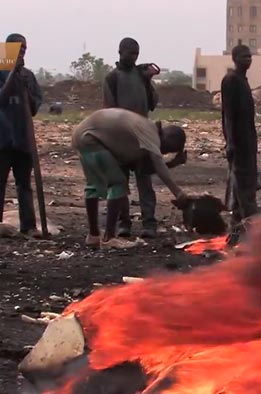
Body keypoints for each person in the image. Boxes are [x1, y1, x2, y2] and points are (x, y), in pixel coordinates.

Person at [72, 108, 190, 249]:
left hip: (82, 136)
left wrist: (172, 163)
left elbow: (143, 169)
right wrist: (178, 193)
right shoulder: (150, 134)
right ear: (168, 141)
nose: (163, 152)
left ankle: (93, 236)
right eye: (167, 150)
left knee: (93, 186)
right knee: (118, 184)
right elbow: (158, 165)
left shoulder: (144, 130)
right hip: (92, 139)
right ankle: (109, 238)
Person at [103, 37, 165, 239]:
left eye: (137, 54)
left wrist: (148, 81)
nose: (134, 57)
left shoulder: (141, 76)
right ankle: (124, 223)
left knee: (144, 181)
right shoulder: (112, 78)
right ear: (120, 53)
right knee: (120, 183)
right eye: (131, 53)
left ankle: (149, 222)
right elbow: (110, 110)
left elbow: (152, 103)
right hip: (121, 137)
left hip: (142, 135)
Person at [0, 33, 43, 237]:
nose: (22, 52)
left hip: (23, 138)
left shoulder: (28, 75)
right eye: (18, 49)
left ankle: (28, 226)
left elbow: (35, 106)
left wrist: (25, 86)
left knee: (24, 185)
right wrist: (12, 73)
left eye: (25, 49)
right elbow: (0, 100)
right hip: (3, 138)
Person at [221, 45, 260, 233]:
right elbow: (228, 114)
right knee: (246, 189)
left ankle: (236, 229)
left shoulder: (243, 80)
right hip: (239, 143)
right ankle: (250, 228)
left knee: (244, 186)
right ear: (234, 59)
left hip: (248, 141)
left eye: (250, 57)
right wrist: (230, 142)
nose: (248, 60)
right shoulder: (231, 80)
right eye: (244, 57)